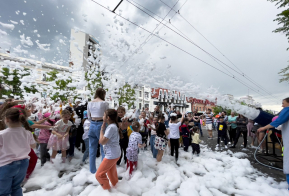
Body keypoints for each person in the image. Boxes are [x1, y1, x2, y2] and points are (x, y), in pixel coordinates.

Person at [0, 108, 36, 196]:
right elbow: (33, 146)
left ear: (7, 119)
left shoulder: (2, 134)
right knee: (16, 187)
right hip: (23, 164)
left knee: (3, 191)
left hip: (6, 166)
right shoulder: (27, 133)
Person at [257, 97, 289, 190]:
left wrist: (263, 128)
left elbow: (277, 121)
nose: (282, 105)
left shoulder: (287, 110)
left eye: (283, 103)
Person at [95, 109, 121, 190]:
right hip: (115, 153)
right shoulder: (113, 126)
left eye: (104, 115)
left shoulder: (111, 127)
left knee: (99, 175)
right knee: (111, 173)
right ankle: (116, 188)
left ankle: (107, 191)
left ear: (108, 118)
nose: (102, 117)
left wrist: (101, 130)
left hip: (111, 155)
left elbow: (102, 142)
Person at [87, 88, 109, 173]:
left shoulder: (90, 103)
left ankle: (92, 170)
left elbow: (89, 116)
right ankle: (103, 170)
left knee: (92, 149)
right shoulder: (104, 103)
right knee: (103, 148)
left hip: (92, 124)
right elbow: (107, 116)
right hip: (101, 125)